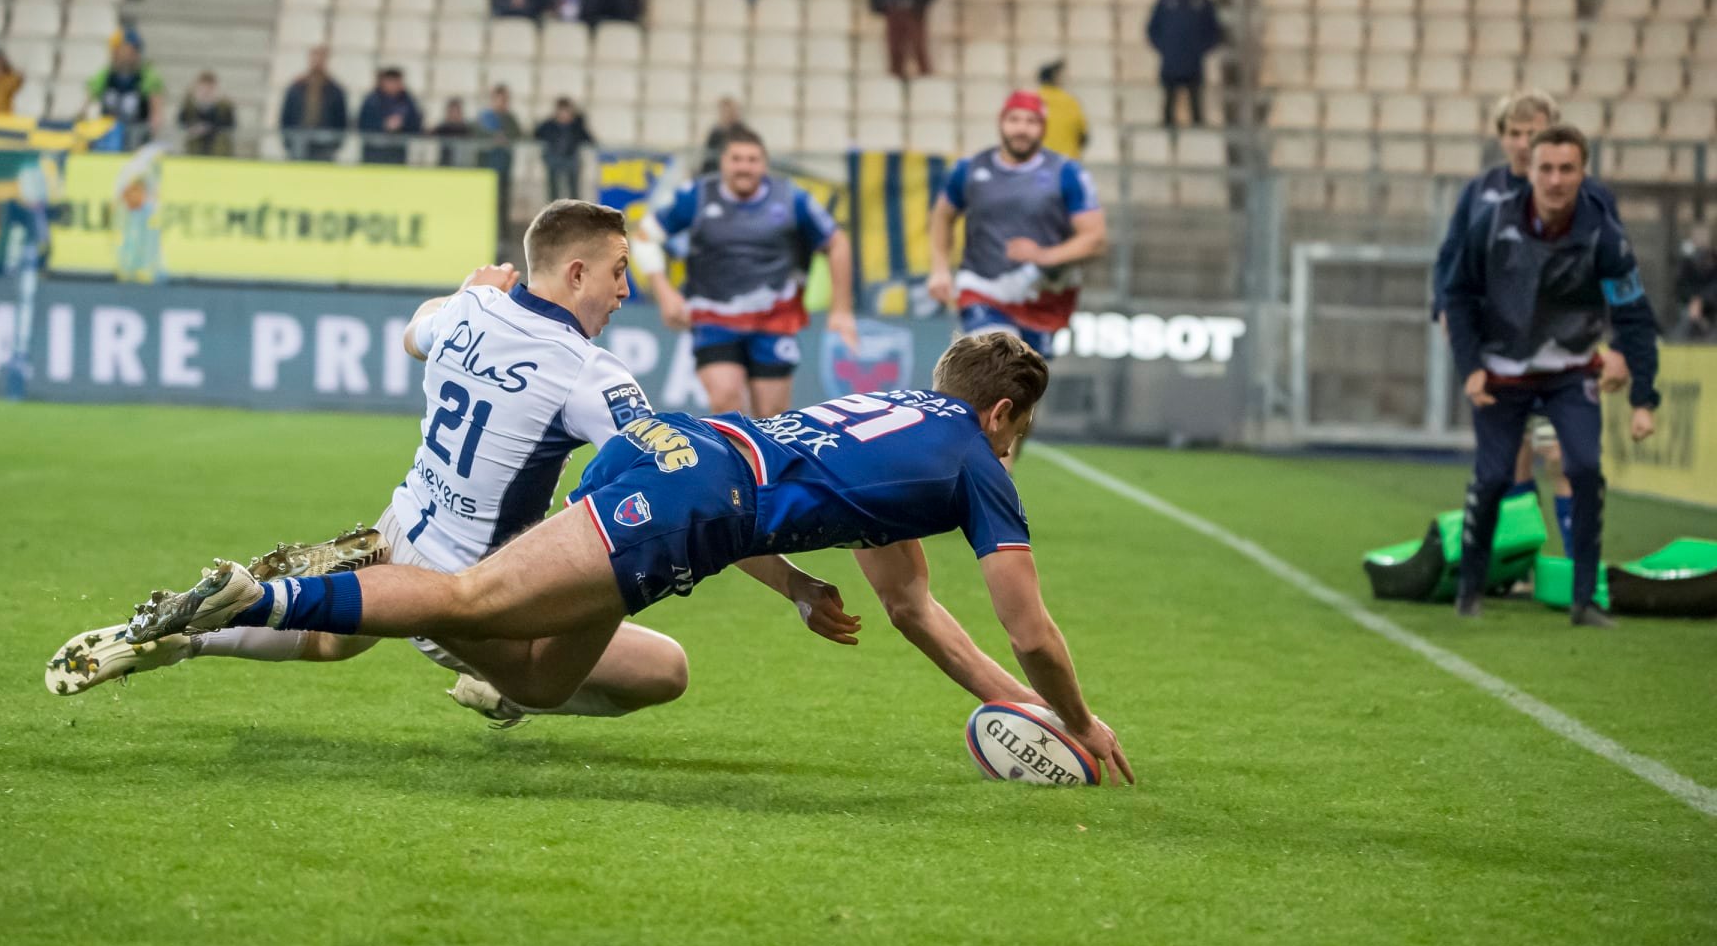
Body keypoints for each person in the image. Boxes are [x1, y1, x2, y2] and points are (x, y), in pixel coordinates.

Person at [123, 331, 1135, 786]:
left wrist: (793, 588)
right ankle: (277, 596)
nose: (1013, 446)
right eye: (1018, 430)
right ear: (1001, 413)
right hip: (691, 501)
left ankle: (366, 601)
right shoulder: (974, 461)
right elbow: (1027, 625)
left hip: (679, 454)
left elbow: (913, 608)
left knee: (531, 667)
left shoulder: (899, 423)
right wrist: (1078, 720)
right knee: (476, 601)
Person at [49, 203, 695, 731]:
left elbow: (414, 332)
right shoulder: (587, 373)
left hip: (402, 525)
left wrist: (464, 292)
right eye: (618, 270)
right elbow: (683, 482)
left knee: (335, 638)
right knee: (660, 670)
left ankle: (186, 635)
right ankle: (504, 686)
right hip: (471, 588)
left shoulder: (471, 309)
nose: (625, 289)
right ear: (577, 274)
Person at [1443, 124, 1661, 628]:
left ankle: (1585, 600)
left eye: (1567, 169)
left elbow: (1633, 313)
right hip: (1502, 371)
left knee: (1584, 468)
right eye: (1546, 168)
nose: (1556, 180)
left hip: (1570, 370)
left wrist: (1643, 397)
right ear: (1531, 171)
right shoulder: (1493, 222)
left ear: (1584, 173)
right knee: (1494, 477)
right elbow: (1457, 295)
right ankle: (1470, 588)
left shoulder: (1604, 234)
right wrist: (1470, 366)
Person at [1430, 90, 1626, 553]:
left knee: (1562, 453)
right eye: (1514, 133)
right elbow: (1451, 259)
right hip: (1501, 344)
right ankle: (1522, 560)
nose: (1523, 142)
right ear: (1501, 140)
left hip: (1564, 345)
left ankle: (1581, 564)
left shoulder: (1589, 198)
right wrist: (1443, 307)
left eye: (1532, 132)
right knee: (1512, 453)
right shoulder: (1480, 193)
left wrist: (1618, 337)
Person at [636, 127, 857, 417]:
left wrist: (841, 310)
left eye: (752, 160)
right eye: (736, 159)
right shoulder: (697, 196)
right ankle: (735, 462)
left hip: (775, 319)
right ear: (724, 162)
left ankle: (765, 462)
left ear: (763, 164)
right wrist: (664, 293)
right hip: (713, 317)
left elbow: (837, 242)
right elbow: (644, 237)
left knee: (773, 417)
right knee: (728, 404)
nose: (744, 166)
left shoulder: (792, 199)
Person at [927, 90, 1106, 356]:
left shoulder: (1066, 173)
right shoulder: (969, 169)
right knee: (997, 360)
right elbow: (942, 216)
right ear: (1001, 123)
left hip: (1042, 292)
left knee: (1026, 379)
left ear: (1043, 128)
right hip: (982, 286)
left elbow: (1095, 239)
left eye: (1031, 121)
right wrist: (939, 267)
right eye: (1014, 119)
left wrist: (1043, 255)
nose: (1021, 129)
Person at [1145, 0, 1221, 127]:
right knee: (1169, 105)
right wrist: (1164, 47)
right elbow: (1152, 28)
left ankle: (1199, 141)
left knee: (1196, 107)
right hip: (1171, 61)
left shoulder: (1202, 1)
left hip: (1193, 63)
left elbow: (1215, 32)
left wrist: (1200, 49)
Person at [86, 30, 165, 139]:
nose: (114, 53)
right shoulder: (105, 75)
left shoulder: (147, 77)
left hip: (135, 136)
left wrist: (151, 132)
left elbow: (156, 112)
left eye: (118, 49)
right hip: (109, 137)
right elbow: (87, 104)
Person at [278, 45, 349, 162]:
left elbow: (341, 118)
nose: (317, 62)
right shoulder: (297, 87)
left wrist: (336, 142)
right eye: (315, 58)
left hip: (325, 141)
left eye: (321, 59)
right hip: (299, 139)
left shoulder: (335, 90)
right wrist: (288, 140)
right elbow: (286, 115)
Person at [357, 66, 423, 165]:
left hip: (397, 152)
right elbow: (363, 124)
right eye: (390, 81)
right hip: (374, 152)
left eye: (396, 81)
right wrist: (383, 125)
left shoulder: (407, 101)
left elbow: (416, 124)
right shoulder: (372, 101)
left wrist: (402, 124)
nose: (393, 85)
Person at [534, 96, 593, 200]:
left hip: (571, 161)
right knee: (553, 192)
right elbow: (536, 135)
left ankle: (574, 212)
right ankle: (554, 213)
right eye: (563, 111)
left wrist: (580, 120)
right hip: (554, 161)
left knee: (573, 192)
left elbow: (589, 139)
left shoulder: (576, 126)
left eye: (567, 111)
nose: (565, 114)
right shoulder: (549, 125)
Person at [1036, 60, 1088, 159]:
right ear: (1056, 79)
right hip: (1066, 162)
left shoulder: (1032, 100)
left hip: (1039, 162)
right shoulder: (1070, 102)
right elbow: (1084, 136)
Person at [178, 71, 235, 157]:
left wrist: (209, 128)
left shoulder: (225, 107)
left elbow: (230, 126)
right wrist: (193, 129)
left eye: (210, 89)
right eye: (203, 89)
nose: (206, 93)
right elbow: (180, 124)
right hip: (193, 153)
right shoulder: (189, 106)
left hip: (219, 154)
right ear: (196, 88)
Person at [1675, 225, 1716, 341]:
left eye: (1703, 237)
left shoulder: (1714, 260)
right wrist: (1693, 300)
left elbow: (1714, 285)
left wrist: (1702, 300)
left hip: (1711, 304)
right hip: (1689, 304)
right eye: (1698, 237)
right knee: (1687, 321)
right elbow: (1682, 285)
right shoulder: (1687, 262)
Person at [431, 96, 482, 167]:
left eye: (457, 111)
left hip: (463, 166)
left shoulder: (468, 129)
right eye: (452, 111)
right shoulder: (442, 128)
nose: (455, 114)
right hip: (445, 166)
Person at [700, 96, 747, 174]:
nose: (726, 114)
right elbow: (709, 154)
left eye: (729, 111)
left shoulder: (741, 131)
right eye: (723, 111)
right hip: (714, 170)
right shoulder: (715, 132)